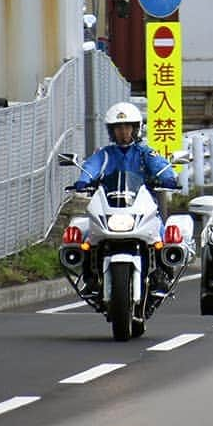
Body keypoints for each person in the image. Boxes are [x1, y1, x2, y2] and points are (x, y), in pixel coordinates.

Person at [72, 101, 179, 294]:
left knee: (161, 233)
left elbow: (160, 165)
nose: (123, 131)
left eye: (127, 126)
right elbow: (91, 167)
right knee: (88, 237)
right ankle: (90, 278)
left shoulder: (145, 152)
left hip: (140, 205)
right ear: (112, 131)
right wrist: (83, 180)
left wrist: (168, 177)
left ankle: (161, 275)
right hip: (110, 206)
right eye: (118, 127)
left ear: (135, 129)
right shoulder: (105, 154)